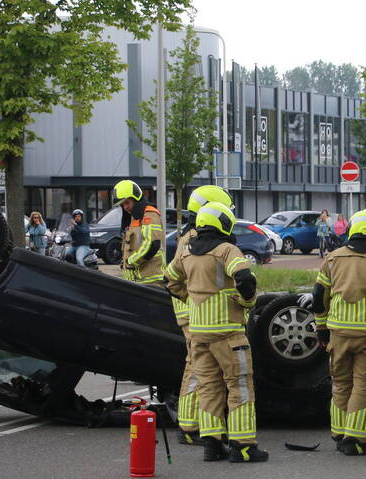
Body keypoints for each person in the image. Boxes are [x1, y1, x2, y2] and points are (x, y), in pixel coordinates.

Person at [164, 201, 268, 463]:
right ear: (223, 224)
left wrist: (189, 297)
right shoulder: (227, 250)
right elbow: (245, 278)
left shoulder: (187, 252)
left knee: (209, 388)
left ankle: (212, 445)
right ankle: (243, 447)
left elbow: (169, 278)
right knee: (239, 386)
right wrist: (246, 302)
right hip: (228, 332)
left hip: (198, 333)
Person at [313, 210, 366, 455]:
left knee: (340, 382)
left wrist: (322, 327)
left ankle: (339, 432)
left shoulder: (333, 258)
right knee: (365, 383)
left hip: (338, 331)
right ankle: (356, 438)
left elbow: (318, 295)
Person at [172, 184, 234, 446]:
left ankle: (193, 423)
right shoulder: (195, 239)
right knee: (197, 369)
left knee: (197, 367)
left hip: (194, 309)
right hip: (197, 312)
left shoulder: (191, 235)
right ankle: (189, 425)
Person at [113, 180, 166, 286]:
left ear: (136, 199)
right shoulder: (135, 218)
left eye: (127, 202)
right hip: (137, 279)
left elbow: (152, 244)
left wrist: (130, 262)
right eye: (122, 205)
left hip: (150, 279)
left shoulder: (150, 215)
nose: (125, 207)